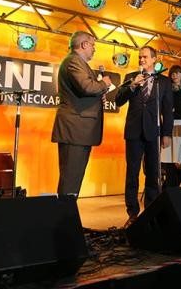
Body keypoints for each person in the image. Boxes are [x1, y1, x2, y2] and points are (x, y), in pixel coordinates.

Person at [115, 46, 173, 228]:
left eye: (145, 57)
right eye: (140, 57)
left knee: (153, 173)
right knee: (132, 173)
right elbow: (118, 100)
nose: (141, 60)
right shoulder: (130, 77)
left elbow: (167, 111)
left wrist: (167, 134)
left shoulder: (163, 82)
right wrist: (133, 85)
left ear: (154, 59)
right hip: (133, 132)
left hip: (154, 132)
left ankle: (151, 211)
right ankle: (132, 213)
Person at [51, 31, 112, 198]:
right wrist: (103, 84)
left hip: (79, 132)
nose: (94, 49)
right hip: (75, 131)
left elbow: (86, 91)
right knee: (70, 181)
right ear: (84, 45)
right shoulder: (73, 61)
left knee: (73, 180)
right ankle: (64, 221)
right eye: (93, 45)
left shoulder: (78, 63)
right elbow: (87, 87)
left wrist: (99, 92)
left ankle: (67, 219)